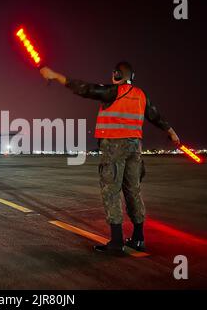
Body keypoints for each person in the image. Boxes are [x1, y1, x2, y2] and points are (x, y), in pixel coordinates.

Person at [40, 62, 180, 253]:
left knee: (111, 191)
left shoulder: (114, 91)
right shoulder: (141, 95)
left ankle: (116, 242)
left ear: (117, 74)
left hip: (115, 146)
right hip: (135, 148)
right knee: (133, 191)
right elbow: (155, 115)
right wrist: (171, 132)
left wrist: (56, 76)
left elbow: (86, 89)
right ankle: (138, 238)